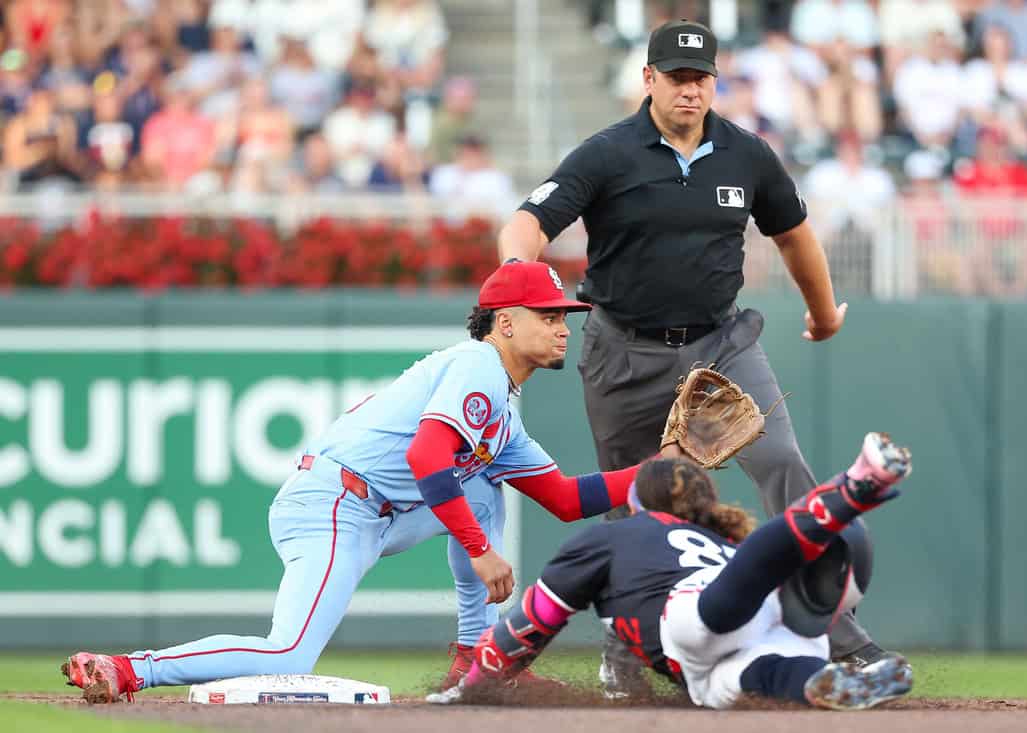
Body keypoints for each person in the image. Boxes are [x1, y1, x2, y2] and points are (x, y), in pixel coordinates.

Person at [60, 261, 677, 704]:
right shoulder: (477, 365)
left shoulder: (503, 410)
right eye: (549, 315)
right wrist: (481, 550)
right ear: (505, 322)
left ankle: (475, 660)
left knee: (489, 484)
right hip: (333, 504)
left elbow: (566, 499)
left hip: (380, 512)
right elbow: (428, 459)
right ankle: (129, 667)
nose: (564, 325)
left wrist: (669, 465)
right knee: (289, 656)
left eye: (564, 315)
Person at [495, 19, 885, 697]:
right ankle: (624, 649)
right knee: (632, 509)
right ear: (647, 79)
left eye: (700, 76)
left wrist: (824, 315)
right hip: (624, 349)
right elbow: (529, 222)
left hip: (720, 343)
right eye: (675, 76)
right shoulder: (608, 154)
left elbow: (794, 236)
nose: (689, 88)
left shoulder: (746, 154)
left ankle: (842, 640)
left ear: (715, 80)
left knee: (782, 462)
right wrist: (513, 273)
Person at [428, 433, 914, 711]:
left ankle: (849, 491)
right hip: (768, 629)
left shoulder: (612, 536)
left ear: (637, 501)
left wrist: (473, 686)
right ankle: (823, 681)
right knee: (745, 678)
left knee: (709, 617)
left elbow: (528, 626)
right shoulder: (722, 539)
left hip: (697, 616)